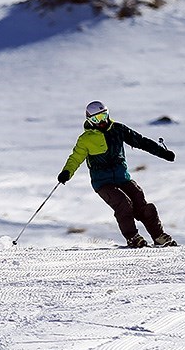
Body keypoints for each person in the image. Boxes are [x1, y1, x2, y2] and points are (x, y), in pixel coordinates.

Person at [57, 101, 177, 248]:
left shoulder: (118, 129)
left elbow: (140, 141)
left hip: (123, 178)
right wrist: (66, 173)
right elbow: (75, 158)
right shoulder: (86, 139)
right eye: (96, 119)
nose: (101, 121)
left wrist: (162, 153)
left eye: (103, 116)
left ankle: (159, 236)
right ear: (89, 121)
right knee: (123, 204)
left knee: (142, 205)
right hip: (103, 183)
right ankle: (133, 238)